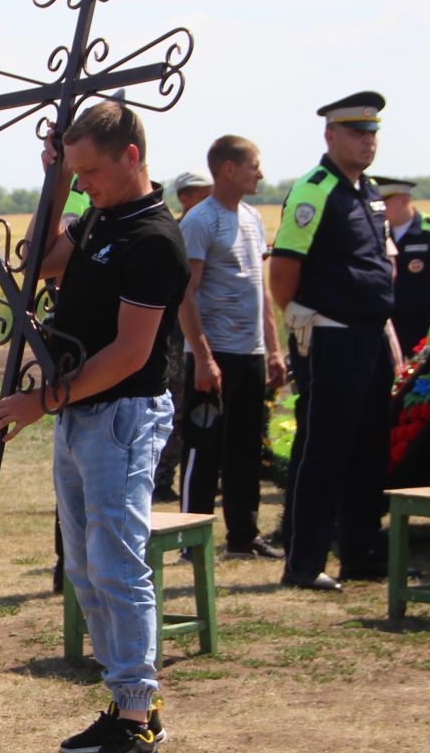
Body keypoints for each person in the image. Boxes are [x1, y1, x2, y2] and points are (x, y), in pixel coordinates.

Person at [0, 101, 188, 753]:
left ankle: (140, 720)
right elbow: (43, 262)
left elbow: (131, 354)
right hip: (81, 412)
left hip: (121, 417)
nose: (85, 186)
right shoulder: (100, 217)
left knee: (117, 563)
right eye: (76, 176)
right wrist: (50, 184)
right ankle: (121, 701)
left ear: (132, 156)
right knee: (85, 568)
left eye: (91, 173)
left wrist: (41, 401)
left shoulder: (156, 239)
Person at [270, 92, 398, 592]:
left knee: (370, 448)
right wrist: (297, 315)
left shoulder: (368, 191)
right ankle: (304, 562)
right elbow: (284, 267)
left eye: (372, 133)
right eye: (356, 133)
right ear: (331, 136)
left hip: (369, 333)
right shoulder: (315, 188)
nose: (367, 142)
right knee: (325, 448)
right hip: (332, 333)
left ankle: (362, 552)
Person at [176, 137, 287, 559]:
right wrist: (203, 357)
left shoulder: (254, 218)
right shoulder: (199, 222)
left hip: (251, 352)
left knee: (244, 448)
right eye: (253, 166)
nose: (260, 174)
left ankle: (243, 536)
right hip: (214, 354)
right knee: (204, 447)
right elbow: (185, 294)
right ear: (227, 169)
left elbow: (259, 292)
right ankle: (191, 539)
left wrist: (273, 350)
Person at [152, 170, 210, 502]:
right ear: (185, 196)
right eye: (202, 193)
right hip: (174, 334)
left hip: (197, 333)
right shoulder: (174, 231)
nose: (208, 199)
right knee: (173, 405)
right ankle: (162, 477)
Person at [381, 177, 430, 356]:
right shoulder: (377, 233)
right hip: (389, 325)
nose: (379, 208)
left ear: (404, 200)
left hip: (428, 323)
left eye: (384, 202)